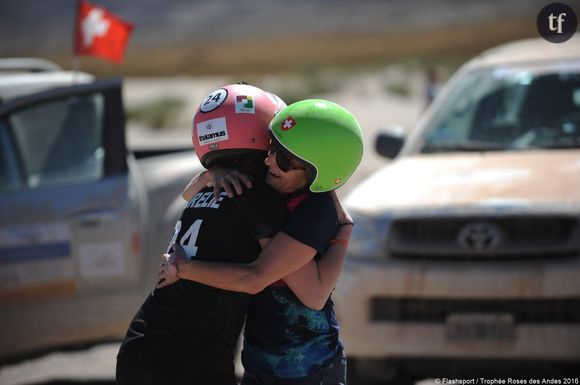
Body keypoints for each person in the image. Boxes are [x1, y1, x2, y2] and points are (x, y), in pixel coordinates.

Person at [158, 99, 364, 384]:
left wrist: (182, 269)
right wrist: (213, 174)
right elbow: (187, 194)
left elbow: (307, 294)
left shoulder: (314, 212)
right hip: (259, 364)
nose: (268, 161)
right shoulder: (275, 183)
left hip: (308, 371)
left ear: (317, 172)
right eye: (271, 148)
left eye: (282, 158)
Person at [116, 83, 290, 385]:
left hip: (140, 342)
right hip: (193, 355)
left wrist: (208, 174)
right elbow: (273, 274)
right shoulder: (257, 197)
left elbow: (189, 195)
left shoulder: (205, 188)